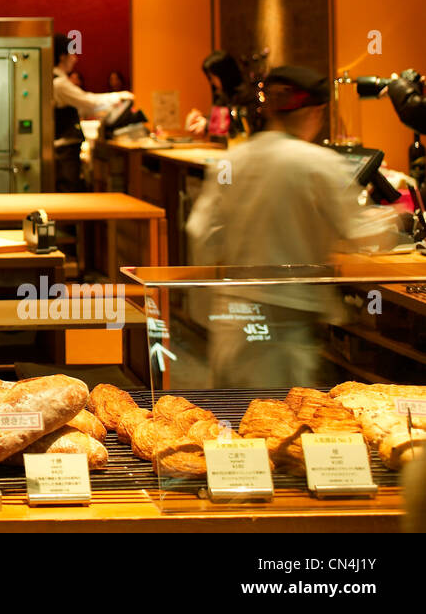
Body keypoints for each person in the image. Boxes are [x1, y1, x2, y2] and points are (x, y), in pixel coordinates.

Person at [185, 65, 405, 386]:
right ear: (316, 112)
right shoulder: (319, 163)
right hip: (285, 330)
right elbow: (362, 234)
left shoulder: (233, 160)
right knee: (279, 424)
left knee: (233, 424)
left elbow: (200, 234)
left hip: (232, 319)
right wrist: (396, 216)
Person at [51, 33, 133, 190]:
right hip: (64, 150)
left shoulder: (57, 80)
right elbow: (89, 103)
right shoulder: (59, 83)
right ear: (62, 57)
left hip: (64, 149)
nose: (75, 58)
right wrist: (118, 96)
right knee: (68, 191)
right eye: (72, 53)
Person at [185, 50, 253, 138]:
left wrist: (207, 124)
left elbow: (238, 127)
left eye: (212, 77)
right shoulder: (223, 95)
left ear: (223, 74)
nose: (212, 82)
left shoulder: (244, 95)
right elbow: (217, 120)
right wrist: (202, 119)